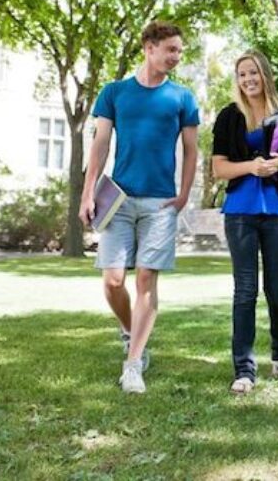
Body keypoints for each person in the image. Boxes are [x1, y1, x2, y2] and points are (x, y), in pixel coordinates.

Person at [79, 21, 200, 394]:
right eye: (171, 50)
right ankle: (130, 330)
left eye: (180, 51)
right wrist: (87, 193)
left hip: (160, 203)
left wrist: (183, 195)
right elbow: (99, 145)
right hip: (118, 199)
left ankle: (133, 364)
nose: (176, 57)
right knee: (113, 281)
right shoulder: (115, 93)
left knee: (147, 279)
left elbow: (193, 150)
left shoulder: (182, 98)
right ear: (149, 47)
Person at [212, 50, 278, 395]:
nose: (247, 80)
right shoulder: (229, 117)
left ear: (265, 75)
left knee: (277, 290)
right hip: (240, 211)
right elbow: (219, 168)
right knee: (245, 291)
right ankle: (244, 369)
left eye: (253, 73)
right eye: (242, 74)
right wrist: (251, 167)